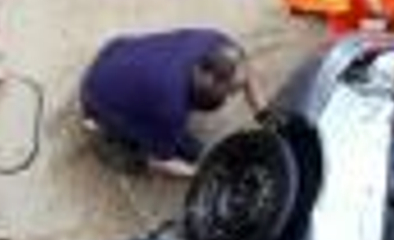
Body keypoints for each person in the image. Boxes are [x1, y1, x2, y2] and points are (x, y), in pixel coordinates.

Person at [80, 30, 264, 179]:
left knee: (193, 149)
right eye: (231, 91)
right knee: (145, 154)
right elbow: (160, 162)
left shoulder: (216, 42)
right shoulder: (170, 107)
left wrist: (264, 115)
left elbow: (247, 73)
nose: (233, 96)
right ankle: (101, 133)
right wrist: (201, 174)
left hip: (118, 50)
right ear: (211, 83)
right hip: (97, 94)